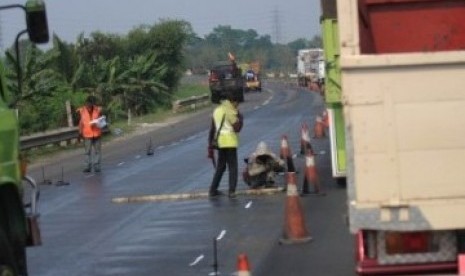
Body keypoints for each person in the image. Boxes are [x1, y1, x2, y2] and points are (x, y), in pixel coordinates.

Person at [208, 92, 243, 198]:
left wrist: (210, 144)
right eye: (237, 103)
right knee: (233, 167)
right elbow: (237, 128)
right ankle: (232, 191)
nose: (238, 105)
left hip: (220, 142)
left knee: (220, 167)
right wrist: (240, 117)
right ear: (233, 101)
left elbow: (212, 128)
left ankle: (213, 190)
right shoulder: (230, 110)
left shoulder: (217, 110)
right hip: (230, 142)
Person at [77, 95, 104, 173]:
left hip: (97, 133)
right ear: (86, 103)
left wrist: (99, 121)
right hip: (87, 134)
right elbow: (81, 123)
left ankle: (97, 166)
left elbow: (101, 119)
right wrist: (79, 133)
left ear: (93, 103)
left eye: (90, 103)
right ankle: (87, 167)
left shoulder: (97, 110)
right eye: (87, 103)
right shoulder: (82, 110)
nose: (88, 105)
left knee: (97, 151)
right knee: (87, 152)